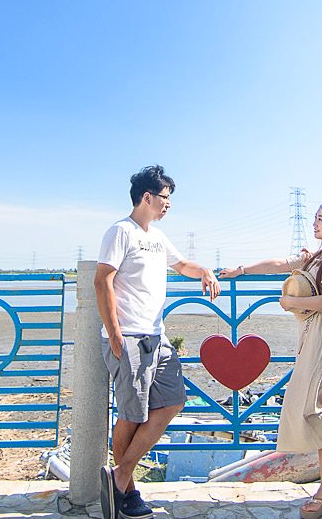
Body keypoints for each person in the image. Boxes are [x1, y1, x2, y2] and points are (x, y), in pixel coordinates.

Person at [219, 199, 322, 519]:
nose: (314, 224)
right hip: (311, 337)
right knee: (320, 409)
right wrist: (241, 270)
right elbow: (280, 263)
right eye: (314, 218)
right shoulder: (317, 254)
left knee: (310, 410)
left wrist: (291, 301)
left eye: (320, 219)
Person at [95, 165, 221, 519]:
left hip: (157, 335)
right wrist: (115, 333)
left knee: (173, 400)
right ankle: (128, 492)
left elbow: (181, 265)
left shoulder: (158, 237)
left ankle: (118, 477)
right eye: (166, 198)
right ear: (147, 197)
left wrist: (207, 271)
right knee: (132, 415)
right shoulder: (121, 231)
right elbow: (102, 280)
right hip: (128, 337)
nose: (169, 205)